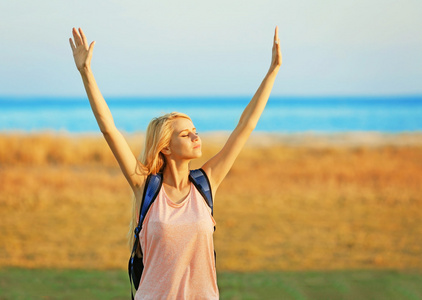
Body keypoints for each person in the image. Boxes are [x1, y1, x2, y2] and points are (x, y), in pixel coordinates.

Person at [69, 26, 282, 299]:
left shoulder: (207, 183)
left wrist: (273, 71)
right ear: (166, 147)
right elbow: (109, 129)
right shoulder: (145, 186)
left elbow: (245, 127)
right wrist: (86, 72)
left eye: (195, 130)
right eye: (186, 133)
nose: (195, 136)